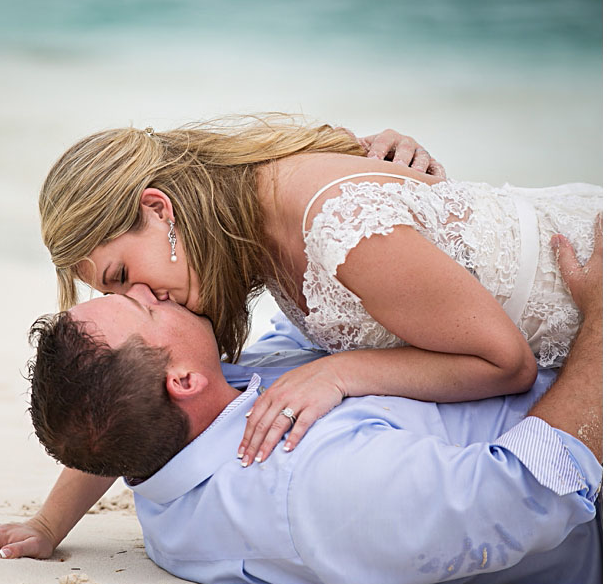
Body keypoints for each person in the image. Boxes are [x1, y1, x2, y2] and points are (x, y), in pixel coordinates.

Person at [0, 224, 602, 584]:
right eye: (142, 304)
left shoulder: (184, 426)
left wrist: (48, 522)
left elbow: (108, 420)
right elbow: (530, 492)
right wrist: (603, 326)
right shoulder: (308, 481)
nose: (161, 293)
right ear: (181, 380)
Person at [39, 114, 600, 469]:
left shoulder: (338, 227)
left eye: (120, 277)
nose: (143, 297)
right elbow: (130, 382)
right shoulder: (243, 227)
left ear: (157, 210)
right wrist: (47, 525)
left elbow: (506, 365)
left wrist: (340, 372)